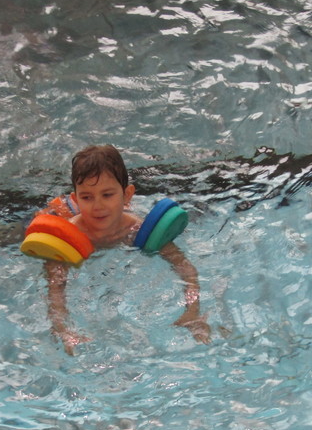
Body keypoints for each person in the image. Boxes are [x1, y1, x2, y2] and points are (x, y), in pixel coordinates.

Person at [44, 145, 211, 354]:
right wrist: (63, 329)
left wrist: (193, 312)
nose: (97, 206)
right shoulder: (70, 236)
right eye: (86, 197)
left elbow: (185, 268)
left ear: (127, 195)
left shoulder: (137, 231)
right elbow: (55, 286)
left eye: (107, 195)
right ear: (76, 199)